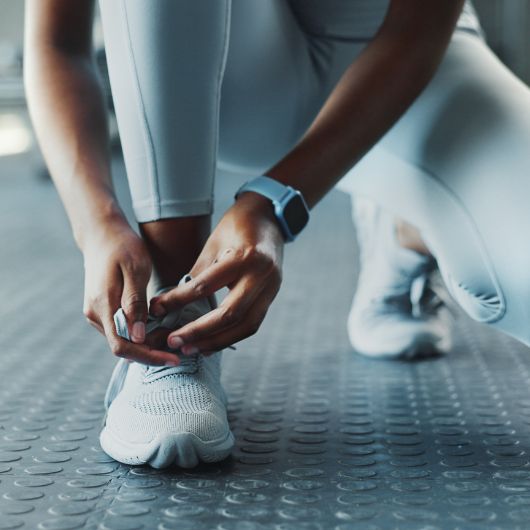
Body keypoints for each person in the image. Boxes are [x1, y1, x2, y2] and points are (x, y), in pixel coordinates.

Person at [23, 0, 530, 468]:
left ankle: (405, 229)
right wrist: (97, 222)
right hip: (232, 74)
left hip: (419, 67)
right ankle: (174, 321)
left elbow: (418, 28)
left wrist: (276, 203)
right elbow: (57, 42)